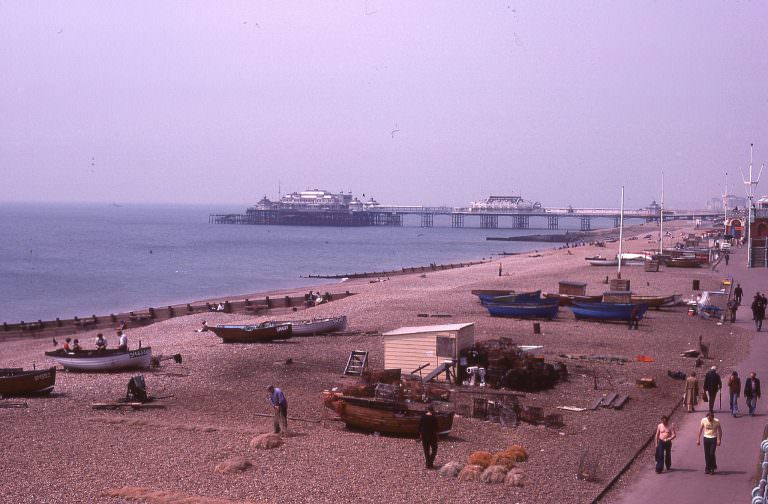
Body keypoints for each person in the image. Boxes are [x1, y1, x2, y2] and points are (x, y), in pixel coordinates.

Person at [418, 404, 439, 469]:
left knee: (426, 450)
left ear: (427, 410)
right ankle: (430, 462)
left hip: (424, 436)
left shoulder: (423, 417)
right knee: (434, 450)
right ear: (432, 410)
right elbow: (436, 428)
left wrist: (420, 435)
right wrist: (437, 436)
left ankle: (428, 464)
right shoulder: (434, 418)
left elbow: (419, 427)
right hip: (432, 436)